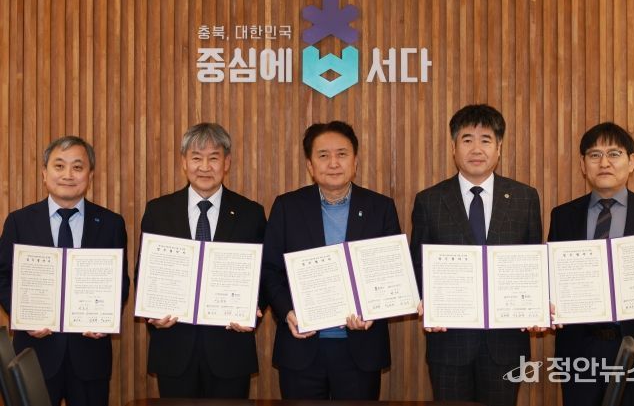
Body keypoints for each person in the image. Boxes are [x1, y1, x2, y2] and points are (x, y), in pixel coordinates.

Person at [410, 104, 542, 406]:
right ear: (453, 147)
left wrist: (535, 307)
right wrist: (426, 303)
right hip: (449, 340)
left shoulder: (524, 197)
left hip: (506, 341)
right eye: (467, 139)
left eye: (486, 140)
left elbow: (535, 261)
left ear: (499, 148)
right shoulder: (430, 200)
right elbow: (419, 264)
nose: (476, 149)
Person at [262, 120, 401, 400]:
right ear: (310, 165)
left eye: (342, 154)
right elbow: (270, 269)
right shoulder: (287, 207)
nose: (333, 163)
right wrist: (287, 311)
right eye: (323, 155)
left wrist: (372, 311)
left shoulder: (380, 208)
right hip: (302, 348)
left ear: (355, 161)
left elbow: (392, 272)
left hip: (360, 349)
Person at [548, 122, 634, 406]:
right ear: (583, 165)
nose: (604, 163)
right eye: (594, 155)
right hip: (580, 350)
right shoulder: (563, 216)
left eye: (614, 154)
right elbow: (550, 277)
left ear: (631, 162)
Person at [138, 123, 266, 398]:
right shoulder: (158, 211)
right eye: (196, 157)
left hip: (230, 348)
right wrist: (152, 311)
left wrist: (254, 308)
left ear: (227, 162)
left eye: (213, 158)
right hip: (174, 346)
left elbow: (263, 273)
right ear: (184, 162)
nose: (205, 167)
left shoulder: (251, 213)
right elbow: (145, 272)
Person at [0, 136, 130, 406]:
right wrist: (23, 316)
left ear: (90, 175)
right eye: (59, 166)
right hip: (35, 356)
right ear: (44, 173)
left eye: (77, 167)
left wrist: (104, 319)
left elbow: (121, 282)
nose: (68, 175)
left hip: (90, 357)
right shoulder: (19, 222)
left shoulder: (111, 223)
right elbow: (3, 277)